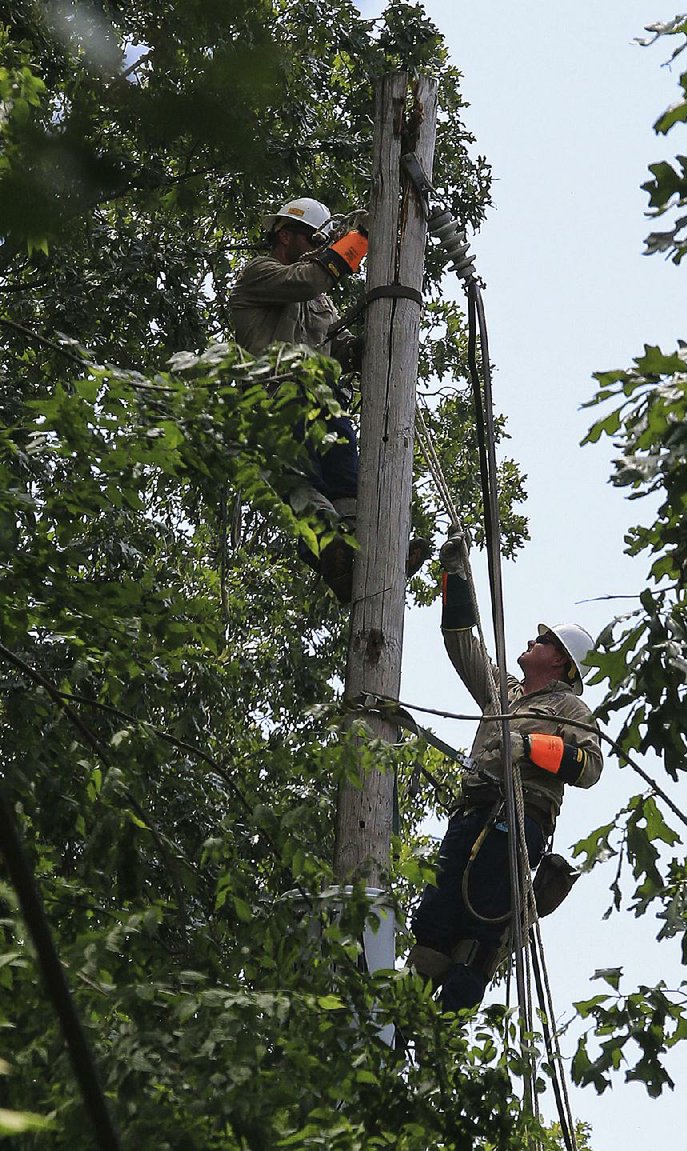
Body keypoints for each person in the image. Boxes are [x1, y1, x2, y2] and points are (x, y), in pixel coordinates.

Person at [408, 534, 603, 1013]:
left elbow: (590, 766)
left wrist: (530, 747)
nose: (529, 642)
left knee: (479, 933)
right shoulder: (504, 694)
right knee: (434, 920)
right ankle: (401, 1022)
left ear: (558, 658)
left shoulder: (569, 707)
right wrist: (455, 574)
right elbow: (461, 644)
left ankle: (444, 1024)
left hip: (517, 821)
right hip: (472, 812)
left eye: (540, 640)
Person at [230, 196, 429, 602]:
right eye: (310, 238)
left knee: (347, 482)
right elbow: (310, 278)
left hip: (324, 401)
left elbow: (334, 346)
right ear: (284, 234)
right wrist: (361, 238)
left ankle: (369, 556)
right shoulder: (261, 275)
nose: (318, 246)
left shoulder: (319, 301)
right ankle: (326, 544)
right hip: (278, 400)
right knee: (304, 483)